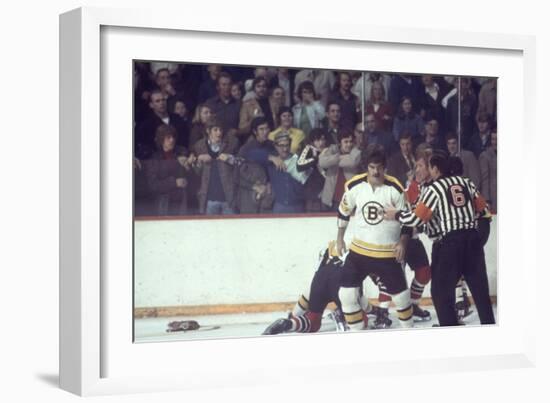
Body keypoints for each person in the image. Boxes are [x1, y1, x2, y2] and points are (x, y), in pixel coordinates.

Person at [384, 152, 495, 327]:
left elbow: (416, 219)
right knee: (481, 293)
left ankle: (449, 329)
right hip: (472, 240)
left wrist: (395, 214)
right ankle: (490, 330)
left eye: (428, 167)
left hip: (450, 243)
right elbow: (483, 211)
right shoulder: (466, 182)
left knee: (440, 292)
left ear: (435, 169)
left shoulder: (434, 188)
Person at [335, 148, 414, 330]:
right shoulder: (354, 186)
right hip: (359, 252)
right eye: (371, 167)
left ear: (385, 168)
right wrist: (340, 239)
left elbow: (408, 220)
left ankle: (410, 333)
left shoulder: (396, 188)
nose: (375, 172)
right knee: (346, 295)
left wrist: (403, 242)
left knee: (402, 298)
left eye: (379, 168)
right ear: (367, 168)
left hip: (387, 253)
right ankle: (357, 335)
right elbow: (343, 212)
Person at [262, 242, 365, 335]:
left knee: (313, 322)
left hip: (320, 278)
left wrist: (294, 316)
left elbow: (315, 282)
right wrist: (372, 310)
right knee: (360, 321)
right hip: (341, 281)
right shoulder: (363, 248)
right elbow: (358, 294)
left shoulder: (331, 246)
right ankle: (341, 316)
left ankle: (289, 323)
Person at [144, 124, 195, 216]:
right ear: (161, 140)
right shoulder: (155, 158)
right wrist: (174, 183)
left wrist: (189, 167)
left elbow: (193, 177)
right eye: (168, 137)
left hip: (183, 202)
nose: (172, 140)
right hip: (164, 204)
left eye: (173, 137)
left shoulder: (182, 152)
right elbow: (152, 185)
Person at [193, 118, 240, 215]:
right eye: (215, 130)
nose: (219, 133)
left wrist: (230, 158)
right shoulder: (199, 146)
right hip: (209, 199)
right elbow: (197, 173)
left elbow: (241, 164)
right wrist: (199, 160)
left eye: (221, 130)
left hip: (228, 198)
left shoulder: (232, 143)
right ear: (208, 131)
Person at [237, 117, 275, 214]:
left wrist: (270, 183)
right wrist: (253, 186)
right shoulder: (246, 149)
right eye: (261, 129)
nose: (265, 132)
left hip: (268, 195)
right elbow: (236, 175)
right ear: (255, 131)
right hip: (249, 196)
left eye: (267, 128)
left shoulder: (273, 146)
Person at [318, 130, 361, 211]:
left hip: (349, 200)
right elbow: (322, 162)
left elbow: (352, 161)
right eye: (346, 142)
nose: (349, 144)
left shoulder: (357, 152)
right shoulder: (333, 149)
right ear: (340, 142)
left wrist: (332, 160)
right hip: (330, 199)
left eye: (351, 141)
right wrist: (339, 157)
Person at [296, 128, 328, 212]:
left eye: (323, 139)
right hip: (311, 194)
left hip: (326, 193)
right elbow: (299, 165)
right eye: (317, 140)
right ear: (312, 141)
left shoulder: (329, 151)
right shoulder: (308, 149)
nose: (321, 143)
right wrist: (316, 158)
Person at [238, 76, 278, 143]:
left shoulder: (274, 102)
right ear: (254, 89)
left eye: (264, 86)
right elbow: (242, 128)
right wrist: (253, 120)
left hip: (274, 138)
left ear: (267, 88)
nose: (261, 89)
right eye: (258, 86)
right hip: (255, 140)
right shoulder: (247, 105)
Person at [204, 72, 241, 137]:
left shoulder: (239, 104)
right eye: (224, 85)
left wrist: (238, 132)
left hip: (233, 141)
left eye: (229, 84)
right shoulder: (210, 103)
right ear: (218, 87)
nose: (227, 87)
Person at [479, 129, 497, 213]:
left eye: (498, 139)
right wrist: (487, 200)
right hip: (494, 197)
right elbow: (484, 179)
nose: (495, 142)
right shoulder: (485, 155)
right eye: (493, 139)